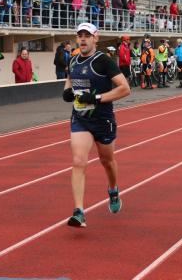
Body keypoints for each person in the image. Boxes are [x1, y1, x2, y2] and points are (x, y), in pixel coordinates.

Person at [62, 23, 131, 227]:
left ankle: (113, 190)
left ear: (95, 38)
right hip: (81, 118)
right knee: (78, 161)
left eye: (87, 35)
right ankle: (79, 211)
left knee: (107, 161)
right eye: (80, 35)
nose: (83, 39)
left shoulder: (104, 61)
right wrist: (67, 91)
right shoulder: (73, 60)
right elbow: (69, 80)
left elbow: (125, 89)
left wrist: (97, 97)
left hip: (103, 119)